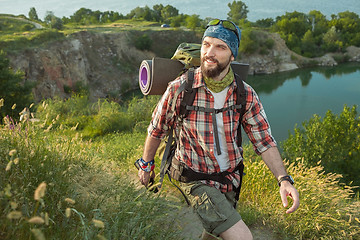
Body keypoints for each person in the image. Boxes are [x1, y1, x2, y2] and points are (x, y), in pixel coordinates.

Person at [137, 19, 300, 240]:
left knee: (213, 235)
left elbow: (264, 141)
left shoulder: (245, 93)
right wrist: (146, 165)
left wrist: (284, 179)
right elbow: (157, 129)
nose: (209, 53)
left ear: (232, 55)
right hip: (194, 178)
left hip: (230, 179)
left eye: (220, 47)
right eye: (206, 44)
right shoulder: (181, 88)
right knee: (241, 237)